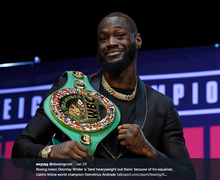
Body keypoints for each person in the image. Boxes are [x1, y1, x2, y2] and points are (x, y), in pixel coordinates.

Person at [12, 12, 195, 179]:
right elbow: (20, 148)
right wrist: (51, 152)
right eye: (103, 38)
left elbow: (186, 174)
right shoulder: (71, 89)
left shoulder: (161, 105)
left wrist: (149, 152)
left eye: (120, 35)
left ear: (138, 40)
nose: (111, 43)